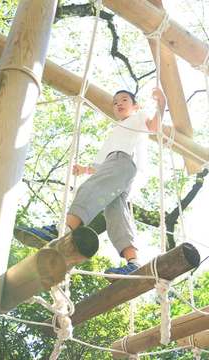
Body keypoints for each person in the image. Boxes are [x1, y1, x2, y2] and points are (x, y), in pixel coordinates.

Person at [15, 88, 166, 275]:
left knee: (90, 188)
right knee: (116, 213)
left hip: (124, 161)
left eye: (124, 100)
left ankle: (60, 229)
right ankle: (134, 262)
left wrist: (161, 104)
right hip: (120, 169)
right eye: (115, 102)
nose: (118, 103)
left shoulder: (139, 117)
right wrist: (85, 169)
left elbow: (154, 126)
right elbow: (103, 165)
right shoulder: (116, 131)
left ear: (136, 106)